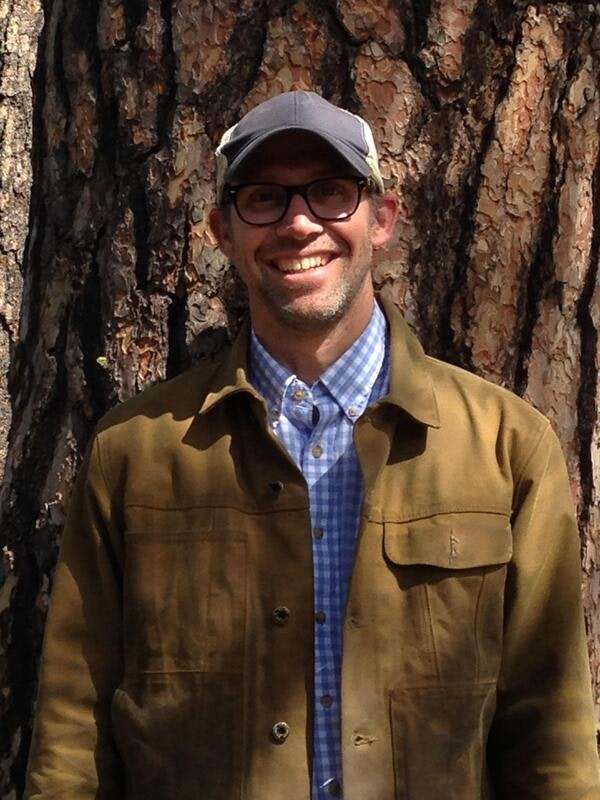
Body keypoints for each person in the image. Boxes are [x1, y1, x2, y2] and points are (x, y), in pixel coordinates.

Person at [25, 91, 600, 800]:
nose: (299, 223)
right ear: (222, 230)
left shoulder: (506, 448)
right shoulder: (136, 455)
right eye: (264, 198)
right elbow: (71, 734)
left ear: (381, 218)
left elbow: (552, 734)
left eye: (330, 193)